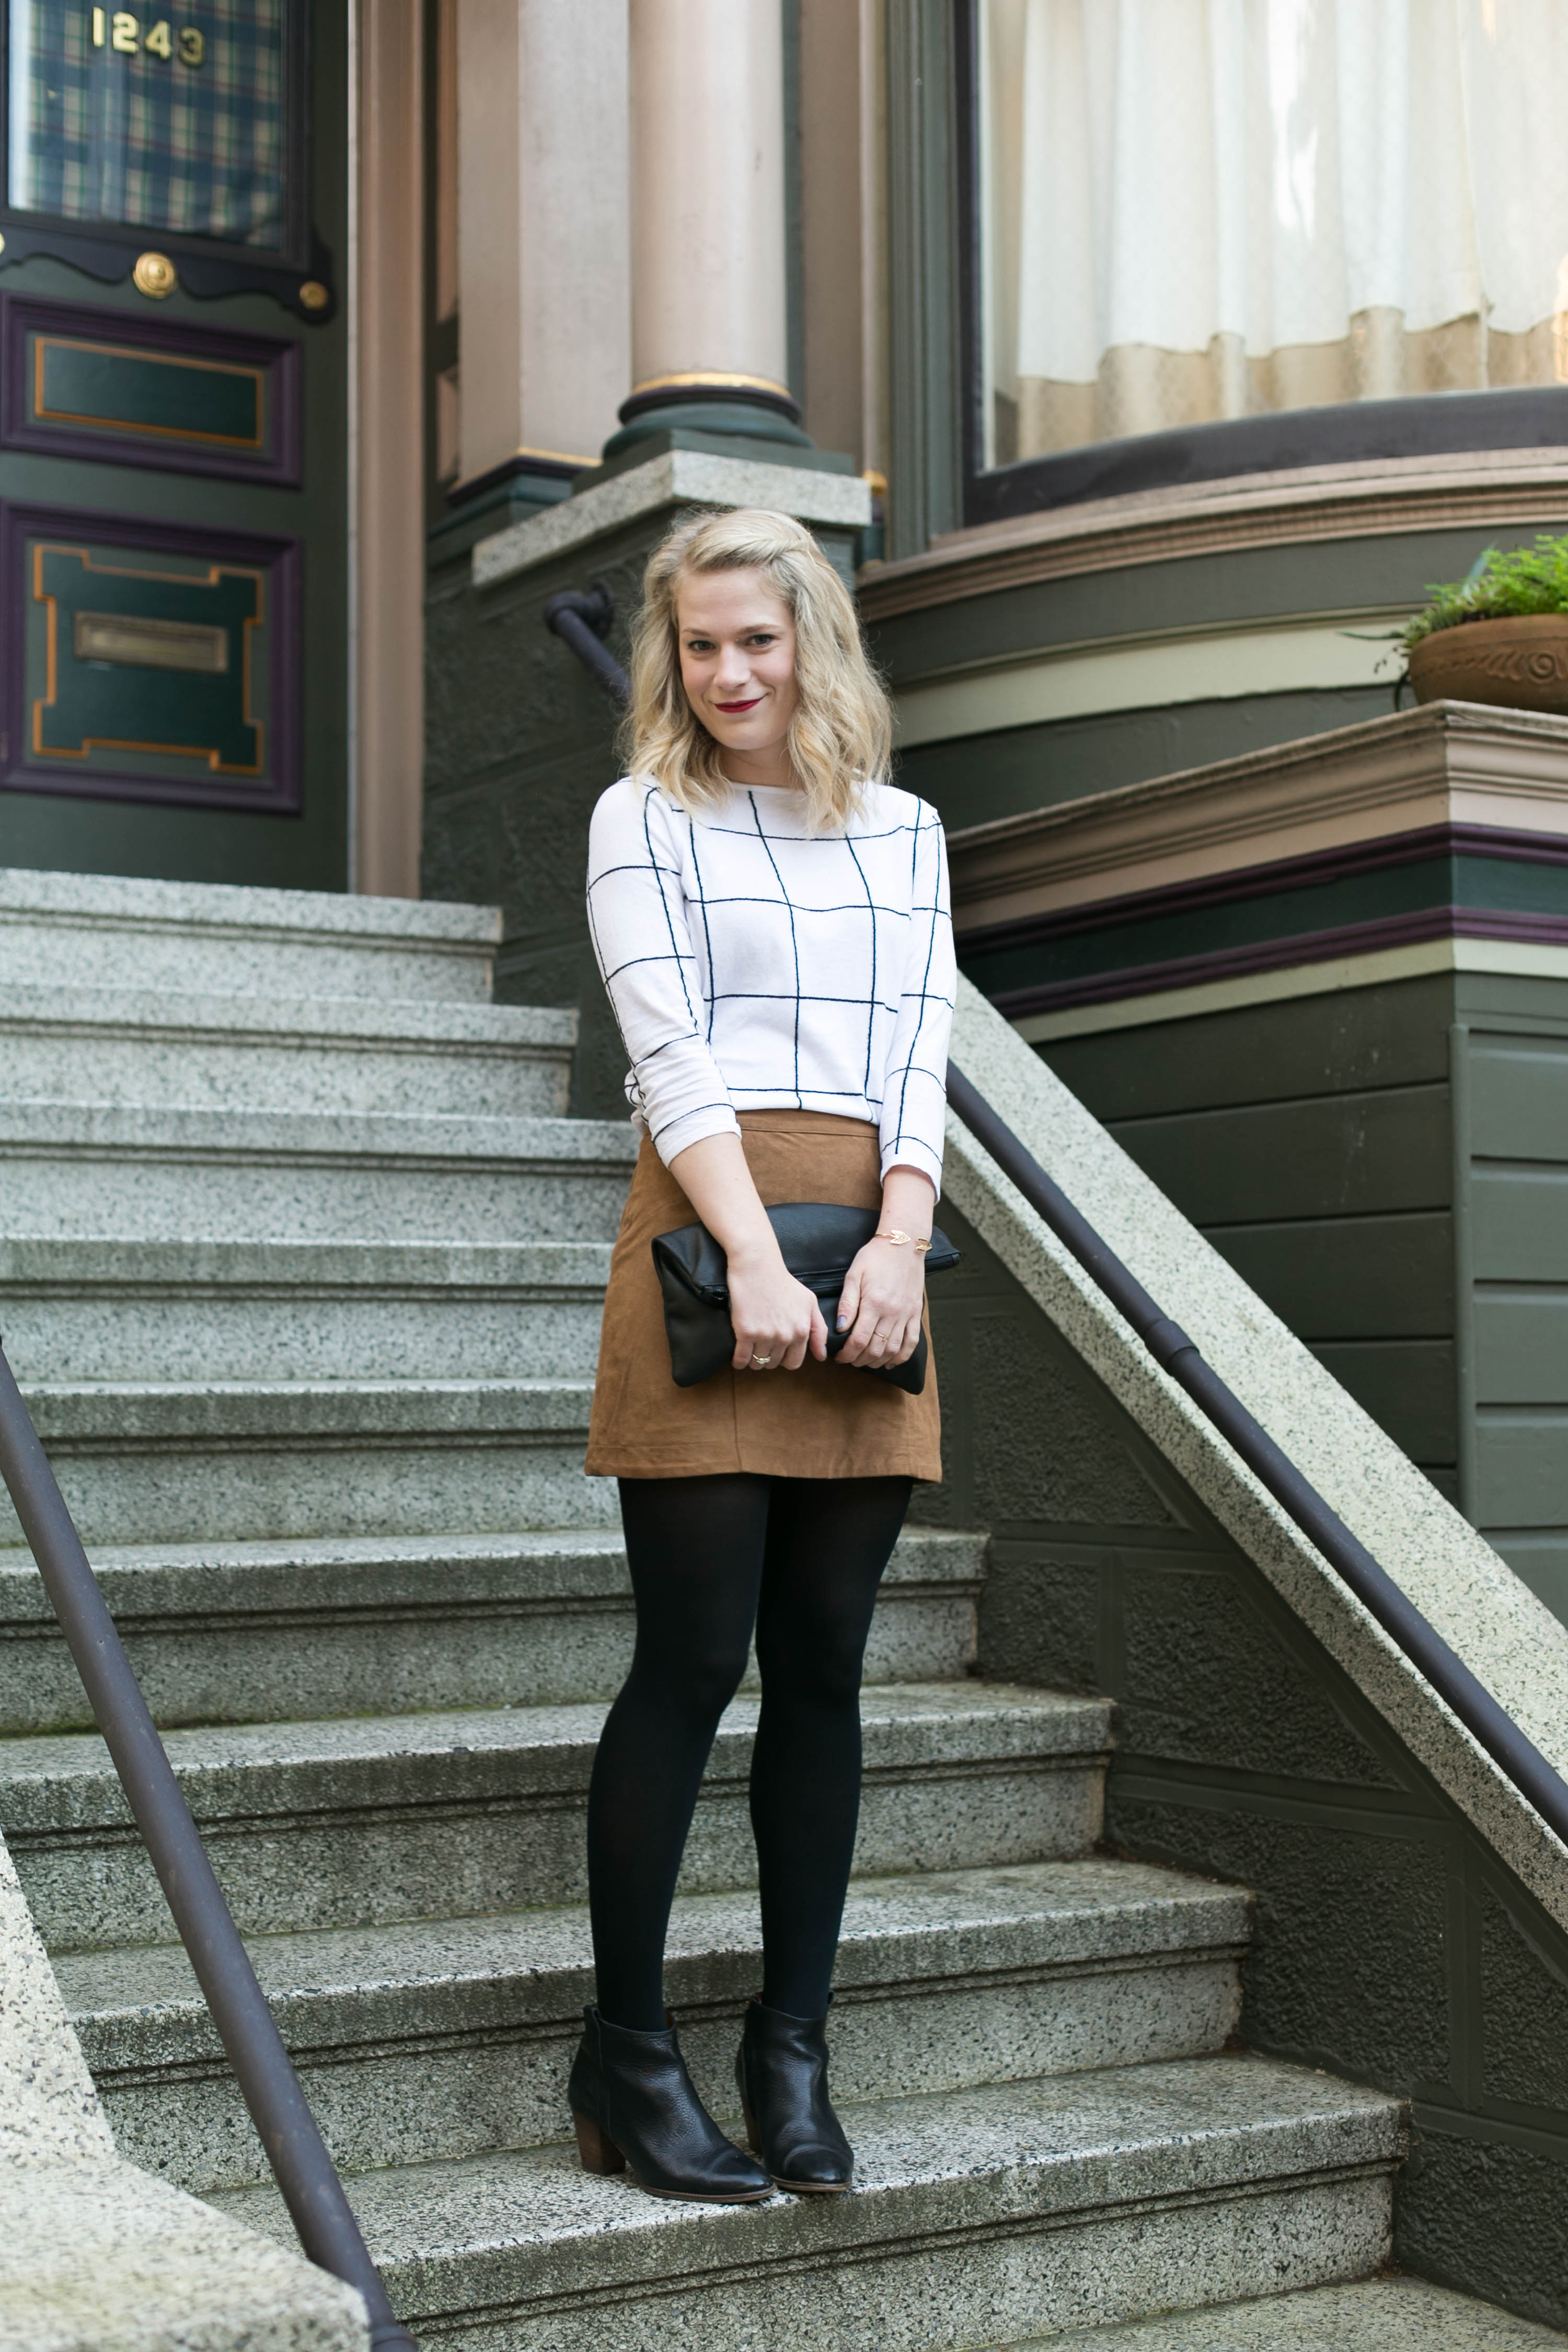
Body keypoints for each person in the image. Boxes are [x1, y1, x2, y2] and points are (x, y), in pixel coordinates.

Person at [570, 505, 955, 2205]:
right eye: (701, 643)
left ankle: (789, 2048)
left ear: (816, 642)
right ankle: (631, 2057)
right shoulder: (640, 816)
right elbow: (668, 1050)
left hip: (868, 1258)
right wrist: (749, 1253)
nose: (729, 672)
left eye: (758, 639)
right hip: (708, 1240)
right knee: (693, 1656)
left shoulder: (908, 831)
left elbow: (921, 1047)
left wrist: (896, 1240)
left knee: (827, 1663)